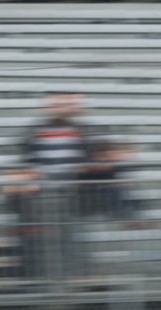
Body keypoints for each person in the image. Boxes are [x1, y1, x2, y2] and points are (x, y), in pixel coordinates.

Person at [18, 92, 105, 277]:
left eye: (67, 105)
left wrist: (86, 171)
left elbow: (94, 160)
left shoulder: (84, 131)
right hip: (42, 197)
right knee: (45, 242)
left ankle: (77, 279)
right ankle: (46, 280)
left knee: (73, 238)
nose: (62, 110)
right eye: (58, 105)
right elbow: (25, 159)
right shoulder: (36, 131)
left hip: (74, 196)